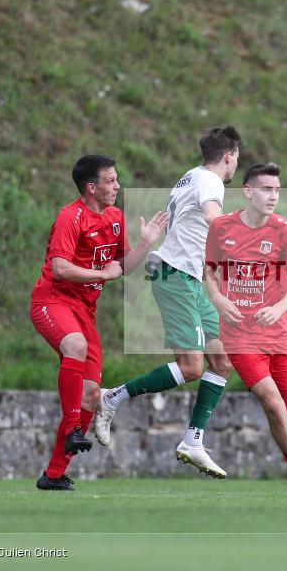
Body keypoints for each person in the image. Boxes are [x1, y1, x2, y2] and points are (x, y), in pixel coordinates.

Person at [94, 126, 242, 479]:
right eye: (237, 157)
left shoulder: (190, 176)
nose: (237, 163)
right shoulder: (210, 182)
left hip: (187, 277)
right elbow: (210, 216)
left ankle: (193, 441)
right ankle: (111, 399)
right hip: (173, 275)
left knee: (222, 360)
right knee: (191, 367)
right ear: (228, 156)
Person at [30, 154, 167, 490]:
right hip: (52, 301)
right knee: (75, 346)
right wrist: (100, 273)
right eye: (110, 181)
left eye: (116, 179)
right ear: (91, 187)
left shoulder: (116, 218)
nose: (117, 186)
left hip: (84, 312)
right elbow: (60, 268)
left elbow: (123, 267)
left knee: (91, 395)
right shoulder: (70, 217)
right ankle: (74, 426)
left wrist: (147, 243)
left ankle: (53, 475)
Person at [203, 163, 287, 494]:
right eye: (267, 189)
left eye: (277, 190)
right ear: (248, 191)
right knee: (272, 404)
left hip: (280, 335)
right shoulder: (222, 228)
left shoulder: (285, 230)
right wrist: (219, 300)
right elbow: (209, 273)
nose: (273, 196)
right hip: (240, 336)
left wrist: (278, 308)